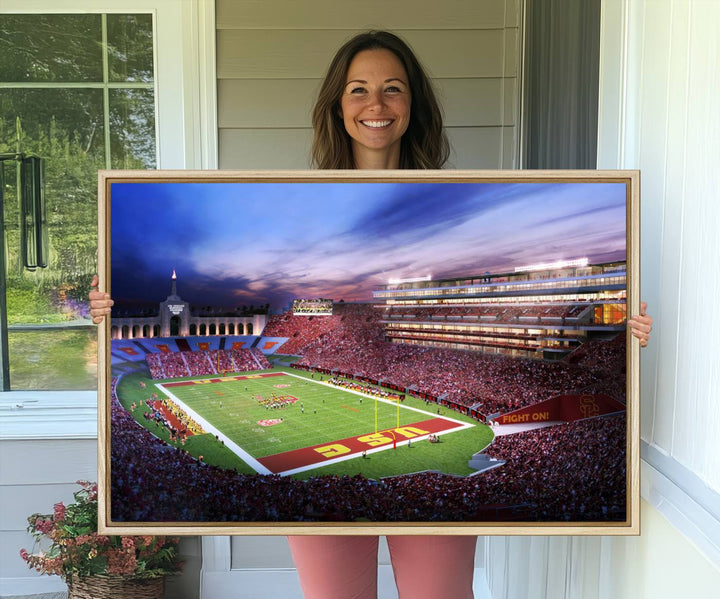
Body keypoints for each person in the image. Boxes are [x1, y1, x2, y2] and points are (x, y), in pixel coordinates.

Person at [89, 30, 653, 599]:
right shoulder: (303, 201)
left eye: (392, 89)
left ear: (413, 105)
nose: (376, 105)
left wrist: (618, 332)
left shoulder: (458, 202)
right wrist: (107, 308)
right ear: (338, 104)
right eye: (359, 90)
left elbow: (539, 302)